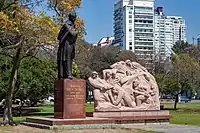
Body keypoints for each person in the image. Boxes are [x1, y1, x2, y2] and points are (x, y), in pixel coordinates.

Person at [57, 12, 78, 80]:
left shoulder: (73, 25)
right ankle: (67, 74)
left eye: (75, 17)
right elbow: (59, 36)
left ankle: (68, 74)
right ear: (70, 17)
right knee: (66, 59)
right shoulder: (66, 25)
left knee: (70, 59)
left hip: (71, 45)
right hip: (65, 45)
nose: (74, 19)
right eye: (73, 17)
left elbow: (74, 35)